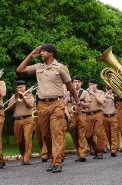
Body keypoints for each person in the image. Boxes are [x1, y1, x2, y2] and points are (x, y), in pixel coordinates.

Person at [16, 44, 81, 173]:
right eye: (40, 52)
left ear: (51, 53)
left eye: (43, 51)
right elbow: (20, 69)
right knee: (45, 135)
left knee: (56, 132)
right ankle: (55, 156)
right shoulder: (38, 67)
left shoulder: (60, 68)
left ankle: (56, 162)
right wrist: (31, 54)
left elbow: (70, 86)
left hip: (57, 103)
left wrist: (77, 102)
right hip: (42, 105)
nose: (41, 53)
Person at [8, 80, 35, 165]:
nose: (19, 89)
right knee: (19, 141)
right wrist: (16, 99)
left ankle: (27, 158)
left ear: (25, 87)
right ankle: (24, 156)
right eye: (18, 87)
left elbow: (30, 105)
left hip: (28, 119)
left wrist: (24, 97)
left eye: (21, 87)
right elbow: (9, 107)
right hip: (17, 120)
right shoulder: (14, 96)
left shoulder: (30, 95)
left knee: (27, 139)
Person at [65, 76, 91, 162]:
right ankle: (79, 152)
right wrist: (68, 114)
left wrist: (81, 104)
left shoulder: (85, 92)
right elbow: (65, 105)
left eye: (78, 82)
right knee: (74, 134)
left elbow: (88, 105)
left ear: (81, 83)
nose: (76, 83)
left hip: (82, 114)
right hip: (72, 115)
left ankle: (82, 154)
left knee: (81, 134)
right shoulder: (68, 93)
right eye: (74, 81)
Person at [86, 79, 105, 159]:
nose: (91, 86)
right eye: (89, 84)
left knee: (99, 133)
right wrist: (87, 93)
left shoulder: (100, 92)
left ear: (96, 85)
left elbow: (101, 102)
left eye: (92, 84)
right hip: (88, 115)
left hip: (98, 113)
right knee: (88, 135)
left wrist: (94, 94)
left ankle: (100, 152)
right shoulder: (86, 93)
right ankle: (95, 150)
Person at [103, 88, 118, 157]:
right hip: (105, 117)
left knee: (114, 134)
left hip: (113, 116)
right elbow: (101, 102)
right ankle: (112, 146)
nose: (109, 90)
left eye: (110, 88)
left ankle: (114, 150)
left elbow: (117, 104)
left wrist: (111, 97)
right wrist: (106, 95)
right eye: (108, 88)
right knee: (108, 134)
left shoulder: (115, 95)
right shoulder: (103, 95)